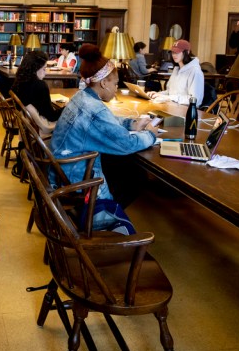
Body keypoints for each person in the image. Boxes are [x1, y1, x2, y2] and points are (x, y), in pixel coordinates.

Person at [50, 44, 158, 232]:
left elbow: (106, 123)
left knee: (124, 167)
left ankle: (97, 212)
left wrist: (131, 124)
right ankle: (97, 216)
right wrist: (150, 135)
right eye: (115, 84)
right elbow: (126, 144)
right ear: (103, 83)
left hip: (62, 166)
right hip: (74, 175)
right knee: (137, 177)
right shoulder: (94, 108)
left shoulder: (82, 97)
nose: (116, 89)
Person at [11, 50, 62, 137]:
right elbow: (51, 116)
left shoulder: (19, 81)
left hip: (26, 130)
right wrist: (67, 107)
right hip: (39, 131)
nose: (45, 73)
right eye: (44, 69)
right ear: (35, 68)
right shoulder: (40, 86)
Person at [147, 39, 204, 105]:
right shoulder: (176, 69)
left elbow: (195, 100)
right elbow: (170, 92)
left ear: (187, 52)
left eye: (177, 52)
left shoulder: (195, 71)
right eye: (173, 52)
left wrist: (169, 98)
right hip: (172, 107)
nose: (174, 55)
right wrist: (158, 94)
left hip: (184, 112)